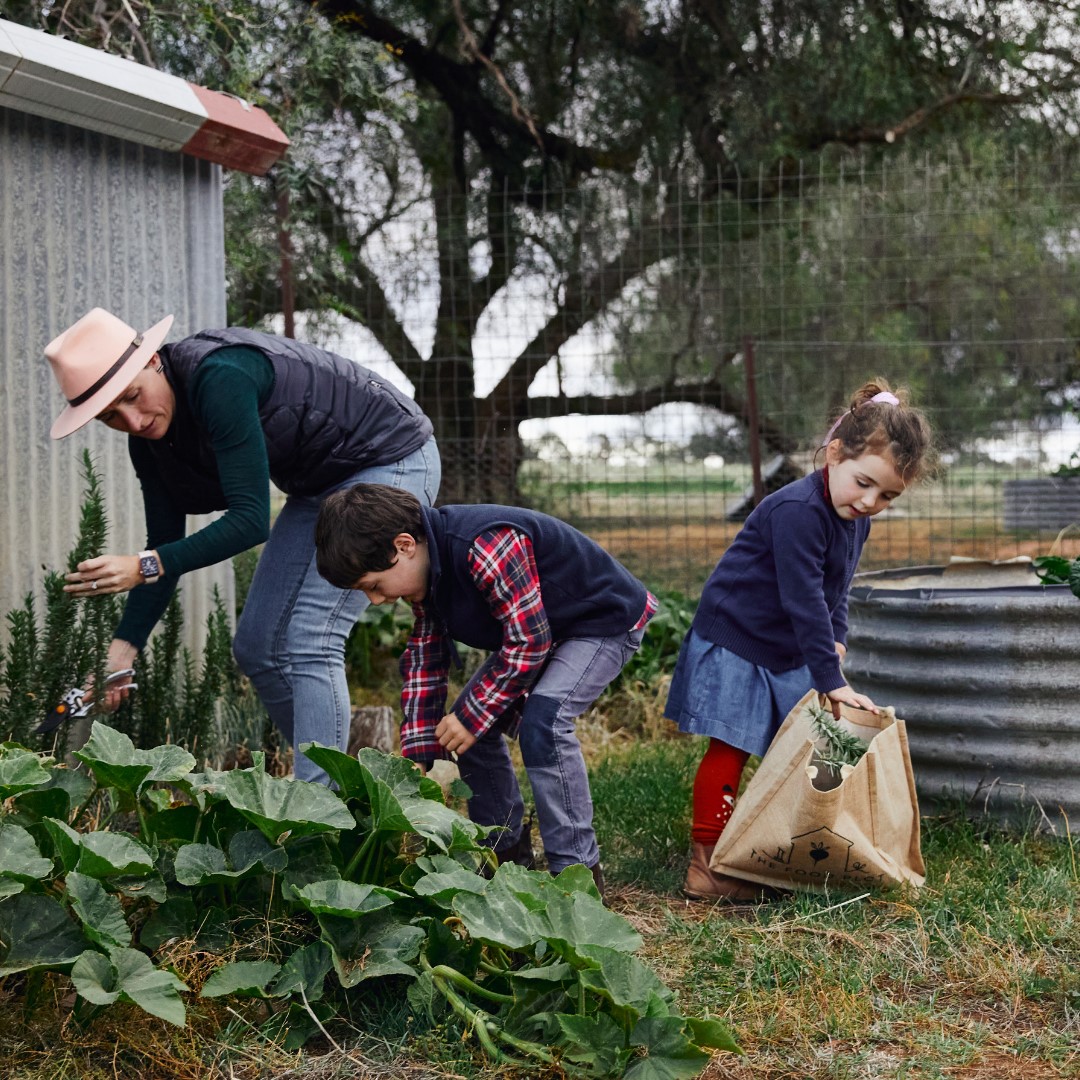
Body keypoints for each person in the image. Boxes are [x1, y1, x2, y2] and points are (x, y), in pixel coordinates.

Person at [43, 308, 440, 784]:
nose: (134, 420)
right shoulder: (149, 444)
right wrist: (120, 655)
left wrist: (145, 565)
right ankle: (342, 784)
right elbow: (162, 547)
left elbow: (251, 520)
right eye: (111, 417)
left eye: (132, 397)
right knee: (258, 648)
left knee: (312, 636)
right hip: (320, 486)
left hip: (388, 457)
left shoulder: (220, 378)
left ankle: (315, 807)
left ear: (151, 360)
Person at [313, 482, 657, 894]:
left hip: (599, 624)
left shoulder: (484, 543)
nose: (375, 600)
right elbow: (426, 657)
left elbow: (530, 642)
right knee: (465, 732)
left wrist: (472, 716)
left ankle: (577, 877)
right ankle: (502, 853)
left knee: (543, 724)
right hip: (539, 632)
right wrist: (418, 754)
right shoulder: (427, 572)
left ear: (404, 545)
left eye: (374, 584)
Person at [666, 380, 933, 902]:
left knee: (806, 748)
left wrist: (836, 642)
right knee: (732, 745)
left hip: (783, 644)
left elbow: (836, 589)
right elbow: (802, 597)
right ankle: (707, 862)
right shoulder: (798, 512)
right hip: (739, 640)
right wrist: (830, 680)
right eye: (864, 483)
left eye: (888, 496)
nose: (871, 501)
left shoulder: (853, 518)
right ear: (834, 453)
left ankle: (777, 848)